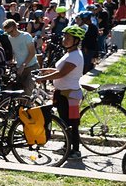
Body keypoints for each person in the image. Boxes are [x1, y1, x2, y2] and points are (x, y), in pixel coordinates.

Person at [36, 24, 87, 160]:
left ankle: (75, 151)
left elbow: (61, 74)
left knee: (72, 124)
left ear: (76, 40)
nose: (65, 39)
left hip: (70, 95)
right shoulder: (70, 53)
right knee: (65, 123)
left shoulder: (75, 56)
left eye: (68, 37)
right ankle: (67, 147)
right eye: (65, 36)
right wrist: (48, 71)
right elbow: (60, 71)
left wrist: (42, 78)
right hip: (63, 93)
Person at [4, 19, 38, 94]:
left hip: (31, 66)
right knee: (18, 92)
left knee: (27, 92)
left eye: (11, 31)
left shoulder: (26, 36)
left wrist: (23, 65)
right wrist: (12, 60)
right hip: (19, 68)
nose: (10, 34)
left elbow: (32, 53)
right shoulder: (10, 38)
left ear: (15, 27)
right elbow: (14, 50)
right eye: (8, 32)